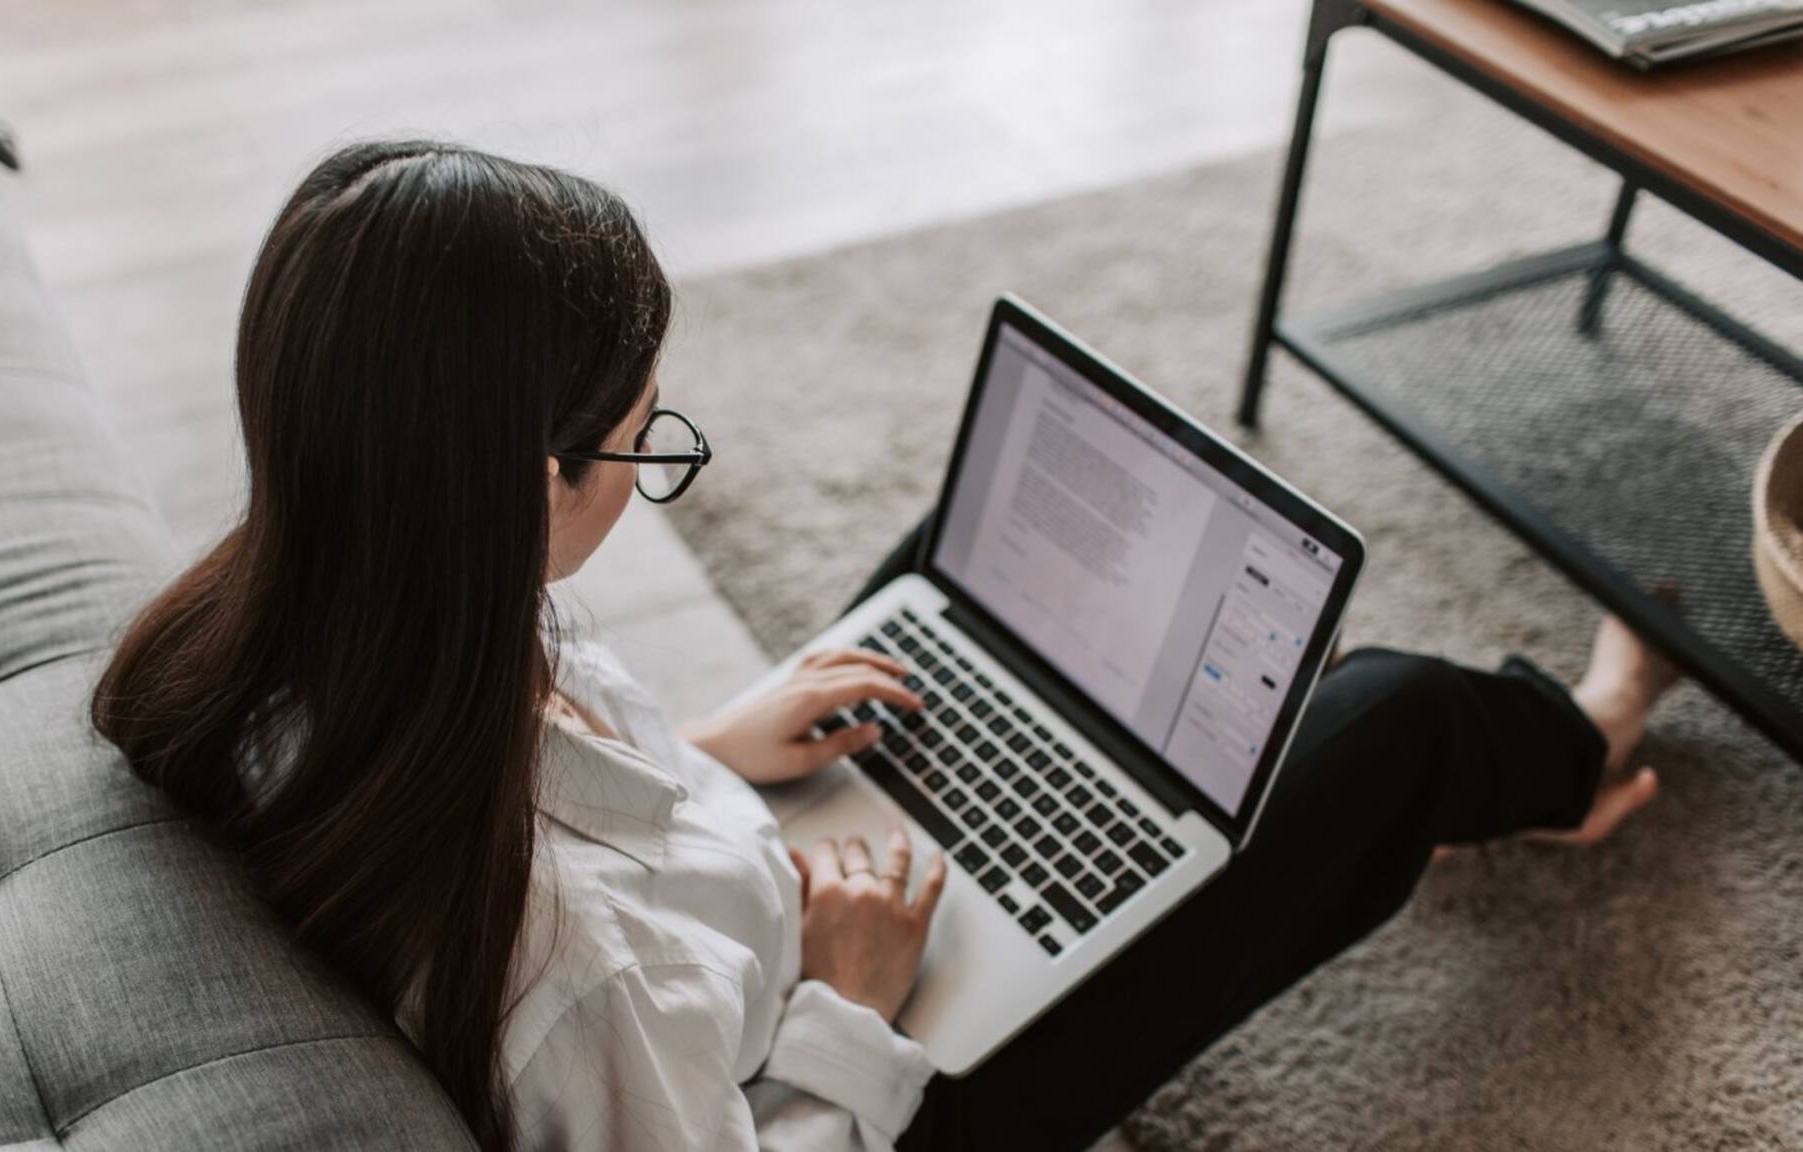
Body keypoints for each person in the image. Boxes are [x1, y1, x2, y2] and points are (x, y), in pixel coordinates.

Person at [91, 139, 1677, 1152]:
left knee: (956, 590)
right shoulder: (577, 979)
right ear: (528, 484)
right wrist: (855, 994)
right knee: (1386, 720)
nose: (652, 468)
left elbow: (532, 806)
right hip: (875, 1079)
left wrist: (706, 753)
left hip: (740, 905)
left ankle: (1222, 758)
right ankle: (1579, 744)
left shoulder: (308, 623)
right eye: (646, 450)